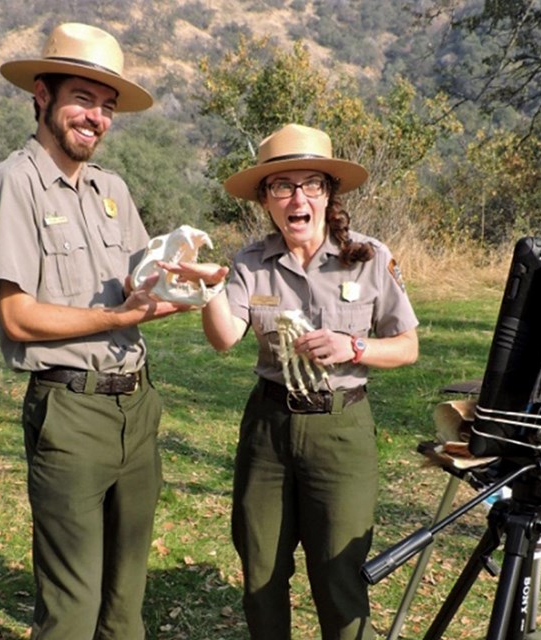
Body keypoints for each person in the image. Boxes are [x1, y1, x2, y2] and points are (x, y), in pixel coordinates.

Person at [0, 22, 190, 640]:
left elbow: (139, 284)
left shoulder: (111, 189)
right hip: (69, 412)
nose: (96, 118)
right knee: (71, 607)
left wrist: (187, 281)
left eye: (107, 106)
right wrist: (117, 319)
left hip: (137, 407)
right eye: (82, 99)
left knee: (125, 604)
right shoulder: (13, 184)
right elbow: (17, 315)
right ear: (41, 94)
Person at [169, 123, 419, 639]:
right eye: (282, 186)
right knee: (261, 570)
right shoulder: (250, 264)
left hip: (341, 429)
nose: (297, 198)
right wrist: (208, 290)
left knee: (339, 575)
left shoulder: (369, 257)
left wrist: (354, 347)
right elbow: (224, 338)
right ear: (266, 200)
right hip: (269, 430)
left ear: (329, 195)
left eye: (311, 184)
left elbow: (407, 346)